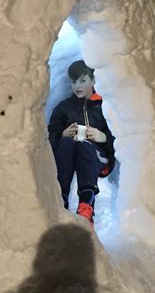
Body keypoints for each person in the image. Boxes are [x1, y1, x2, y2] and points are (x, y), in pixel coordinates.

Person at [48, 60, 116, 226]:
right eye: (73, 81)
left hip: (97, 157)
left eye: (82, 80)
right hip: (69, 156)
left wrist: (103, 137)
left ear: (93, 80)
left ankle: (86, 205)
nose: (77, 85)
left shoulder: (105, 106)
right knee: (69, 143)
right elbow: (47, 138)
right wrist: (62, 134)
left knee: (84, 144)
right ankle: (61, 200)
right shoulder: (64, 108)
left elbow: (122, 138)